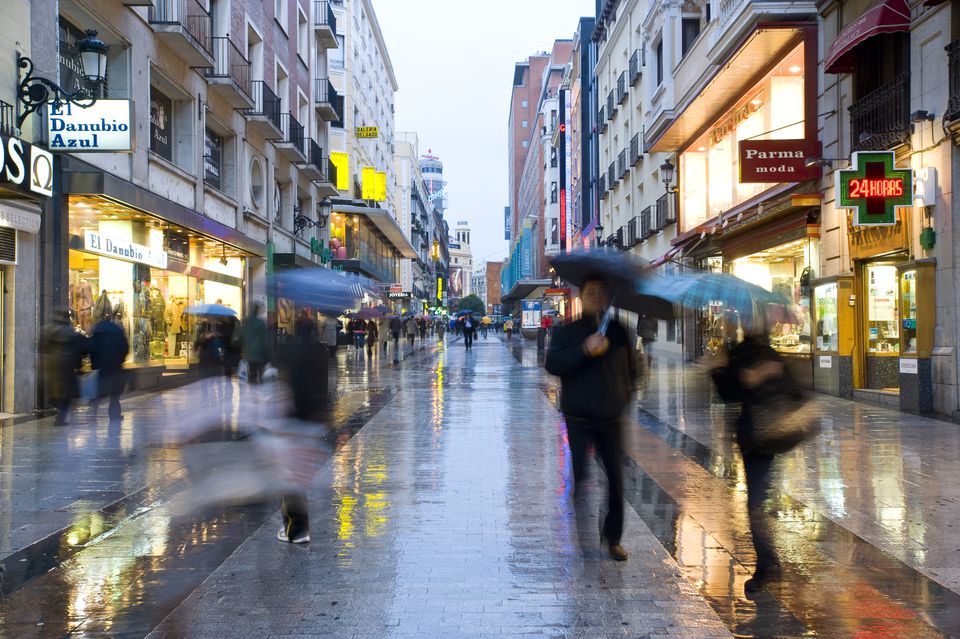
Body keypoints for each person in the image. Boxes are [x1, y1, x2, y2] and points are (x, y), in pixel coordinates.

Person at [544, 277, 636, 561]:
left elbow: (632, 369)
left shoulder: (620, 332)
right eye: (592, 292)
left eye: (602, 293)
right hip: (578, 416)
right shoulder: (567, 332)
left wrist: (623, 397)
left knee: (616, 480)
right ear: (581, 297)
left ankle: (613, 538)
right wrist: (584, 349)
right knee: (581, 476)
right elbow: (553, 364)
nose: (597, 297)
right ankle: (582, 533)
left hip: (611, 416)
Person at [709, 329, 796, 593]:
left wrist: (766, 376)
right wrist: (718, 368)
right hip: (753, 437)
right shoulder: (738, 352)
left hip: (768, 436)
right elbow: (728, 394)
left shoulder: (770, 355)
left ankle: (768, 565)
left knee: (756, 503)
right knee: (755, 502)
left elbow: (793, 392)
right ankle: (768, 564)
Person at [42, 310, 88, 426]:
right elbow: (83, 348)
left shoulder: (49, 331)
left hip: (53, 367)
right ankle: (60, 418)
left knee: (57, 392)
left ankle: (60, 416)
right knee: (66, 394)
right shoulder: (72, 332)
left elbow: (43, 348)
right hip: (67, 367)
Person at [89, 311, 130, 422]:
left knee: (101, 390)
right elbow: (125, 347)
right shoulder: (117, 331)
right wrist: (121, 359)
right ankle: (115, 415)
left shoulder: (97, 332)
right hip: (116, 365)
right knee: (115, 394)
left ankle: (95, 407)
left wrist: (94, 364)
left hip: (102, 366)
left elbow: (92, 349)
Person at [241, 302, 269, 384]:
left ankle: (253, 392)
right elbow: (265, 340)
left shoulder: (245, 322)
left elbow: (241, 337)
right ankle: (260, 392)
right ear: (257, 311)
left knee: (252, 374)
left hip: (249, 353)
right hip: (260, 354)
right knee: (261, 374)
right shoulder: (261, 323)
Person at [636, 313, 658, 380]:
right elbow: (656, 329)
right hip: (651, 337)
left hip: (643, 337)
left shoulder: (643, 320)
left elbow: (638, 329)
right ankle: (649, 365)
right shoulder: (655, 320)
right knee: (650, 352)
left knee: (643, 351)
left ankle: (644, 366)